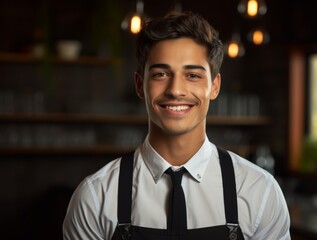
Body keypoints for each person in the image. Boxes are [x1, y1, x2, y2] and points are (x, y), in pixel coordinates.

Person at [63, 11, 291, 240]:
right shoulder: (95, 196)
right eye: (161, 74)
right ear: (140, 85)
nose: (176, 90)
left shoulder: (259, 191)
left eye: (192, 75)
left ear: (214, 86)